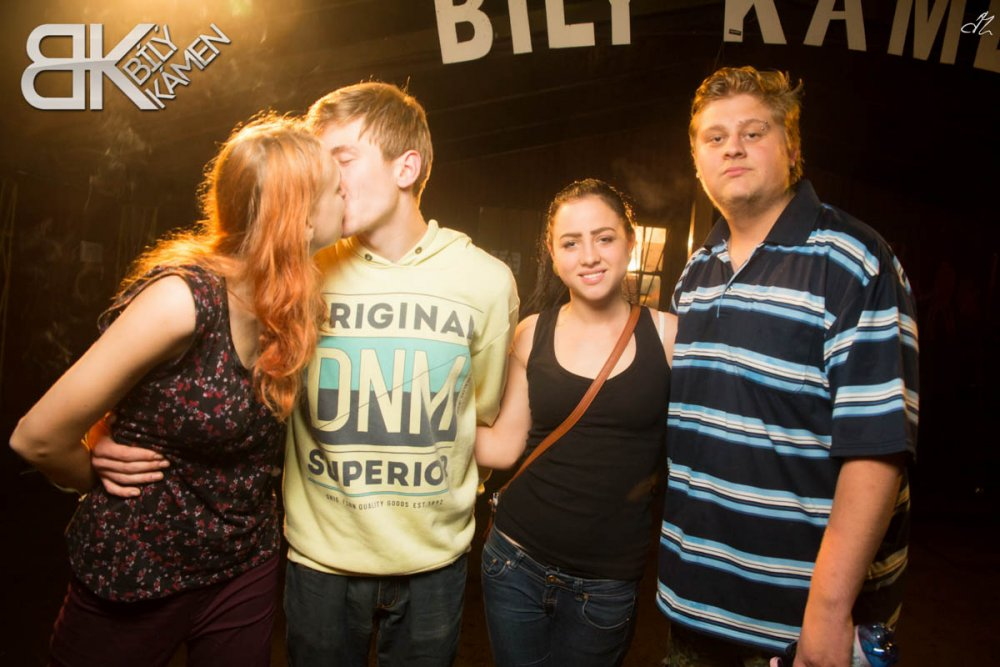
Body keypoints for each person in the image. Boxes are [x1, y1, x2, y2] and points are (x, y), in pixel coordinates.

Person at [91, 82, 519, 667]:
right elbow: (210, 370)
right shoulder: (298, 267)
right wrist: (105, 428)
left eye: (342, 158)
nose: (327, 180)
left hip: (434, 560)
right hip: (318, 560)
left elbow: (477, 412)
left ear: (407, 167)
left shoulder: (485, 280)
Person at [9, 114, 344, 667]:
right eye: (336, 189)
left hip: (243, 563)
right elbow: (37, 437)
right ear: (299, 216)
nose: (346, 196)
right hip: (138, 571)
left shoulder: (290, 301)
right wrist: (93, 473)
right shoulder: (181, 300)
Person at [656, 66, 918, 667]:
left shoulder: (852, 261)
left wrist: (827, 614)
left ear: (793, 149)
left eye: (753, 132)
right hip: (692, 607)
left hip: (796, 626)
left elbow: (876, 450)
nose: (733, 148)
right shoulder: (696, 272)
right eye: (715, 137)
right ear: (697, 161)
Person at [476, 178, 676, 667]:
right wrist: (427, 422)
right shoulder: (531, 332)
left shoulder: (669, 335)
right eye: (571, 243)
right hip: (515, 560)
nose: (589, 256)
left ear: (629, 242)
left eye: (604, 238)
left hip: (607, 581)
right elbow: (504, 446)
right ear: (553, 254)